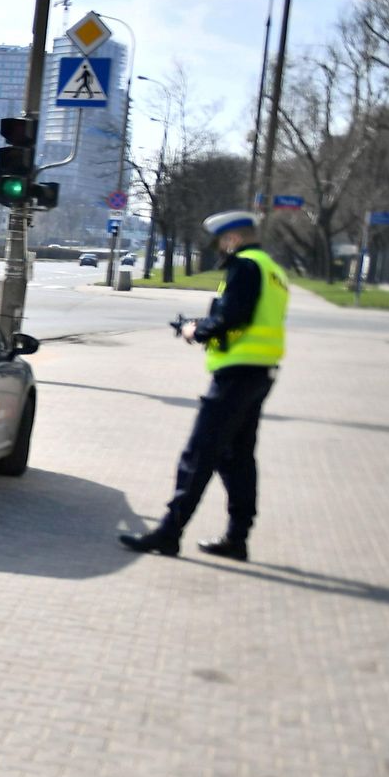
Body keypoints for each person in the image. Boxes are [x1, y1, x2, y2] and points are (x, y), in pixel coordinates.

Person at [120, 210, 290, 561]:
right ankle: (237, 538)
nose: (220, 248)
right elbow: (250, 316)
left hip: (236, 376)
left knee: (200, 454)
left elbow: (232, 316)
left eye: (221, 241)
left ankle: (169, 532)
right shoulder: (273, 270)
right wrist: (207, 323)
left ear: (233, 238)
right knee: (237, 458)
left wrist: (195, 330)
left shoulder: (245, 266)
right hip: (260, 373)